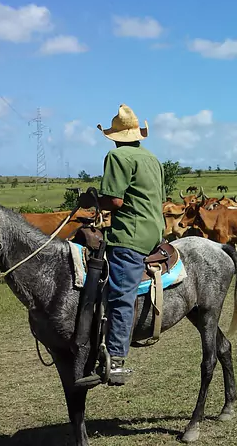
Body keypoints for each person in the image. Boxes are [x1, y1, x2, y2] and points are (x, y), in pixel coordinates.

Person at [85, 104, 165, 386]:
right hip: (155, 230)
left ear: (116, 137)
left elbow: (115, 201)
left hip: (130, 235)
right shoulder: (152, 158)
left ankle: (116, 360)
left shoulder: (117, 156)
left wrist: (92, 201)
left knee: (120, 295)